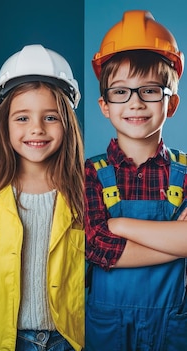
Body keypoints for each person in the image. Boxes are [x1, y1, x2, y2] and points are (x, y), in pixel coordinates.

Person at [85, 10, 187, 350]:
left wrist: (119, 224)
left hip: (172, 325)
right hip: (106, 327)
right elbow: (95, 246)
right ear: (104, 105)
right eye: (121, 92)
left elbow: (106, 234)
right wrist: (177, 244)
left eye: (150, 91)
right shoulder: (89, 173)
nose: (136, 103)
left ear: (171, 103)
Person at [0, 44, 85, 351]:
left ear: (67, 123)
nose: (37, 129)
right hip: (7, 340)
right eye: (22, 118)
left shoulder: (85, 193)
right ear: (4, 124)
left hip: (69, 340)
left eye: (50, 118)